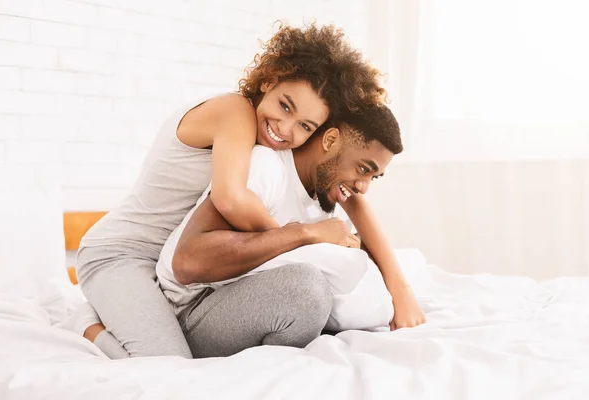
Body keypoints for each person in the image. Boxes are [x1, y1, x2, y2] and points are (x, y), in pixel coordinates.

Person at [64, 23, 389, 359]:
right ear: (268, 81)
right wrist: (302, 237)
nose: (285, 128)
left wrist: (397, 284)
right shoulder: (235, 112)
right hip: (121, 254)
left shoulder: (270, 142)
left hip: (167, 275)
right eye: (285, 106)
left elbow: (354, 199)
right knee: (167, 364)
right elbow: (230, 198)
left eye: (305, 125)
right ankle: (88, 327)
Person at [155, 104, 426, 358]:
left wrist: (400, 289)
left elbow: (362, 260)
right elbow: (190, 261)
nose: (364, 187)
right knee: (306, 290)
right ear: (330, 141)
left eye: (373, 177)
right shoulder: (268, 167)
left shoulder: (332, 195)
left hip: (247, 303)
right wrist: (305, 234)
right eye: (363, 169)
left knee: (392, 268)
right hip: (191, 311)